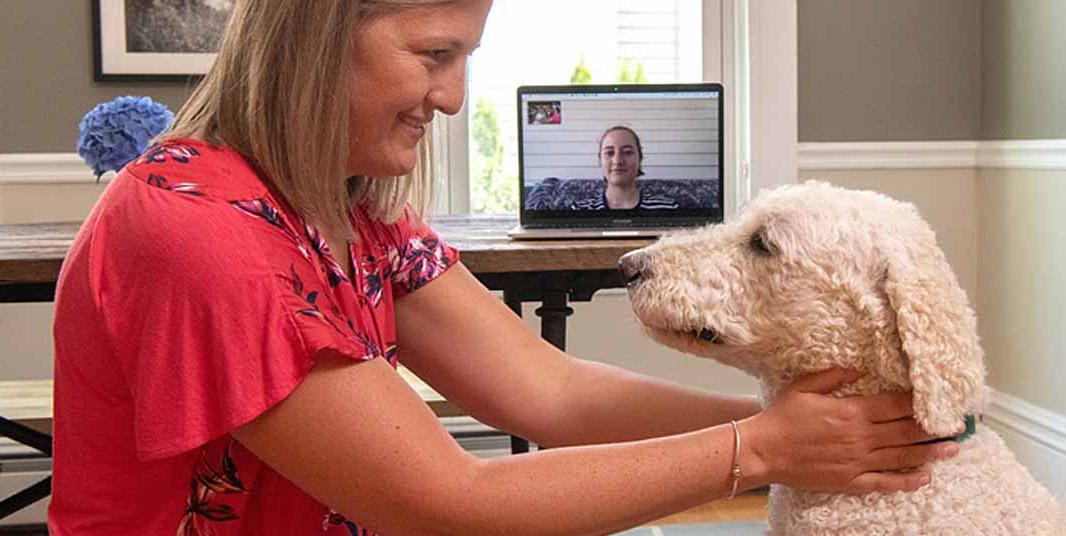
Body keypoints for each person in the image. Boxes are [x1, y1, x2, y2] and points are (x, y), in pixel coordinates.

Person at [49, 1, 959, 534]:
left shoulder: (349, 207)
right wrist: (761, 448)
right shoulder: (197, 232)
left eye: (466, 59)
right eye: (434, 55)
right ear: (314, 34)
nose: (452, 98)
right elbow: (443, 502)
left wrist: (813, 431)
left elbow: (548, 391)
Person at [571, 125, 677, 210]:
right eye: (609, 153)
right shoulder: (578, 210)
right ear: (600, 160)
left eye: (627, 152)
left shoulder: (669, 208)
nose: (618, 161)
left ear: (640, 159)